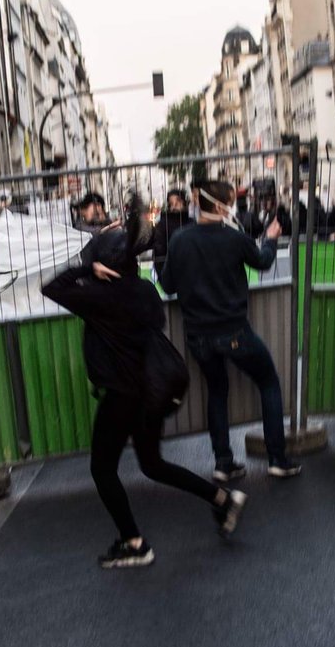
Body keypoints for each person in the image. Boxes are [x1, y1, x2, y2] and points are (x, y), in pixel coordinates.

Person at [41, 196, 246, 569]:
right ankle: (222, 499)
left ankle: (134, 542)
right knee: (152, 463)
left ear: (106, 262)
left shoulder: (100, 297)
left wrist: (89, 272)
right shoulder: (143, 291)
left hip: (122, 395)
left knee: (102, 470)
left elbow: (52, 287)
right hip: (149, 393)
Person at [160, 179, 302, 480]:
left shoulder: (180, 240)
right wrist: (271, 236)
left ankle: (224, 462)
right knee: (268, 381)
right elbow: (263, 261)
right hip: (234, 331)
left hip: (197, 337)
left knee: (217, 390)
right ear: (224, 206)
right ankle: (277, 458)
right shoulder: (233, 238)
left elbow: (168, 285)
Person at [152, 189, 193, 279]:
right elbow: (159, 253)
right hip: (172, 275)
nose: (174, 206)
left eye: (178, 201)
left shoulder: (191, 222)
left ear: (184, 202)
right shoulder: (163, 224)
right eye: (171, 203)